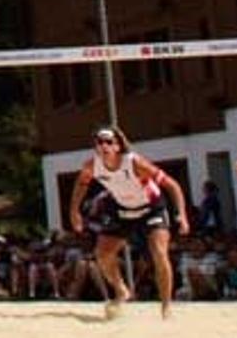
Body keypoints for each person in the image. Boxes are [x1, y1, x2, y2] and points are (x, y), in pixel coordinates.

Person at [67, 125, 189, 318]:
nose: (104, 146)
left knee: (158, 252)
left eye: (109, 142)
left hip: (151, 207)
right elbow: (81, 184)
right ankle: (121, 289)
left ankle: (166, 306)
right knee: (102, 254)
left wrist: (181, 214)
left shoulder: (134, 163)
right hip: (122, 208)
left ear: (117, 146)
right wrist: (74, 211)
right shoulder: (92, 165)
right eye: (99, 142)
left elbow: (172, 185)